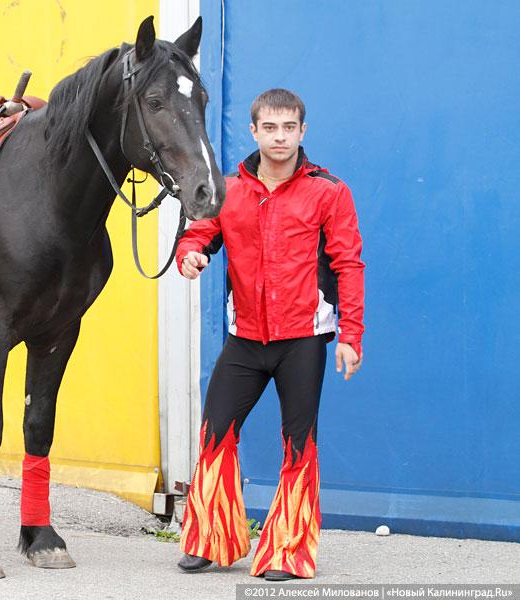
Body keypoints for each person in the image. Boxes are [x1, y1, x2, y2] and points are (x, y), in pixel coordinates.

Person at [174, 89, 365, 581]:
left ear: (302, 132)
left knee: (298, 443)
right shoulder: (229, 187)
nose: (279, 138)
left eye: (289, 128)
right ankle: (213, 540)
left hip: (303, 339)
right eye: (270, 128)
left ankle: (287, 552)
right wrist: (190, 254)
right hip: (246, 340)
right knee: (216, 431)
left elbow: (348, 264)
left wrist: (351, 335)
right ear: (254, 131)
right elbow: (199, 232)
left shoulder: (329, 191)